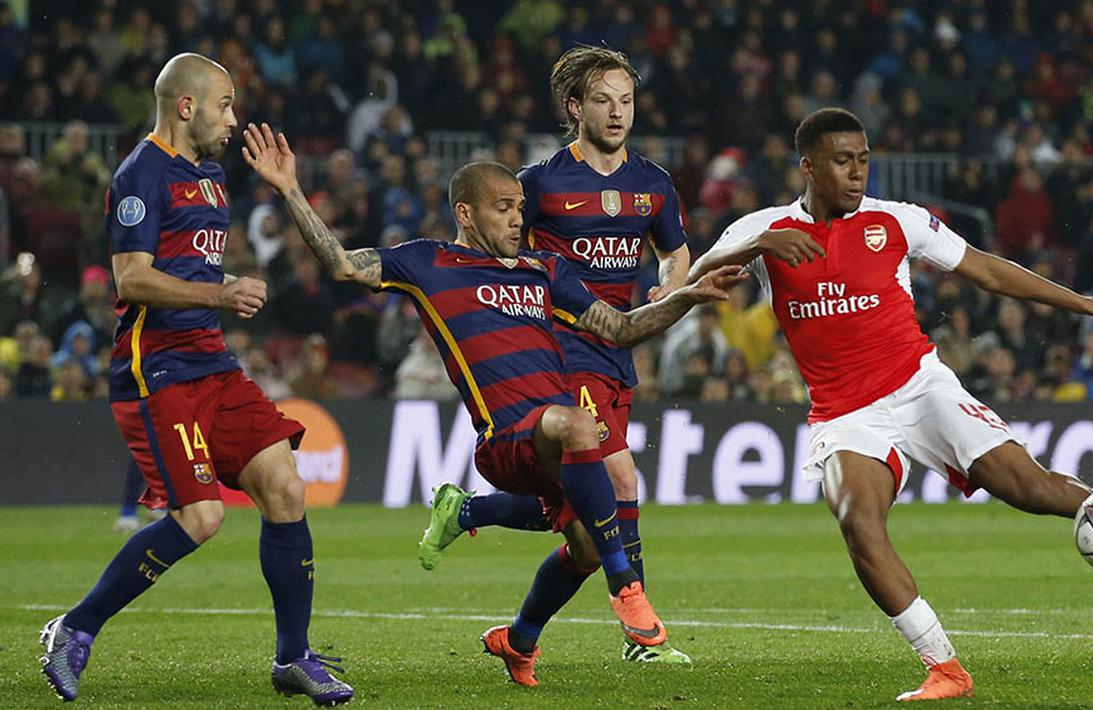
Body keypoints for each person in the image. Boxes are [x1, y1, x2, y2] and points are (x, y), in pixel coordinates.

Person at [687, 108, 1093, 702]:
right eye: (841, 161)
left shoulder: (898, 222)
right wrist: (758, 242)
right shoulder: (766, 229)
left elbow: (986, 269)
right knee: (858, 524)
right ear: (808, 166)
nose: (857, 172)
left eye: (863, 159)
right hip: (844, 413)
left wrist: (1082, 304)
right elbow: (698, 275)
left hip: (920, 386)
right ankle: (945, 668)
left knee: (1028, 488)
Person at [242, 119, 744, 687]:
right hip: (507, 438)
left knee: (580, 546)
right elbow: (340, 262)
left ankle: (518, 639)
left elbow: (621, 328)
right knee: (587, 432)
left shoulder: (544, 269)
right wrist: (289, 190)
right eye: (503, 207)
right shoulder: (428, 264)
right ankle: (627, 587)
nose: (517, 218)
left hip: (554, 439)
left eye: (519, 207)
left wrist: (685, 297)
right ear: (466, 213)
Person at [37, 54, 352, 706]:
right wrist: (220, 292)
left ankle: (293, 657)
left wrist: (285, 191)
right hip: (158, 372)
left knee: (285, 487)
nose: (234, 120)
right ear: (187, 106)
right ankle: (75, 627)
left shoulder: (210, 178)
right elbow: (131, 278)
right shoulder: (139, 175)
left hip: (213, 365)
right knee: (202, 516)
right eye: (226, 105)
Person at [417, 44, 694, 665]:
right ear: (575, 108)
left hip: (617, 346)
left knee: (576, 511)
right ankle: (637, 624)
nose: (618, 112)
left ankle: (474, 526)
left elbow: (674, 251)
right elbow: (497, 247)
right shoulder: (539, 184)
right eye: (603, 100)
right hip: (562, 352)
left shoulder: (653, 184)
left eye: (626, 99)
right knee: (620, 477)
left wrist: (669, 282)